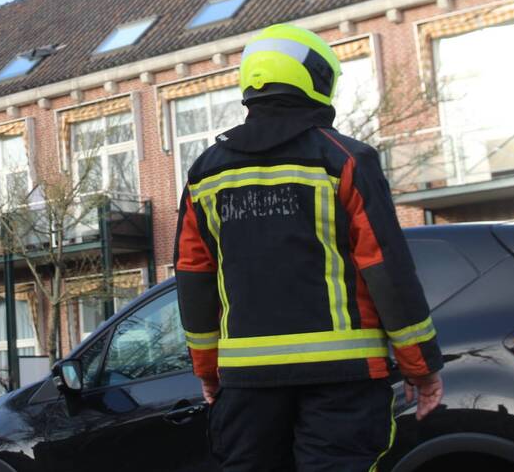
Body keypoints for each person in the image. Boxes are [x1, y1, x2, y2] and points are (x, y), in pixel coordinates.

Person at [175, 24, 443, 472]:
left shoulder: (206, 173)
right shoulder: (344, 158)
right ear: (316, 79)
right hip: (344, 380)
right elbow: (385, 267)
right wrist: (421, 366)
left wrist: (207, 369)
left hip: (247, 386)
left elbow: (193, 275)